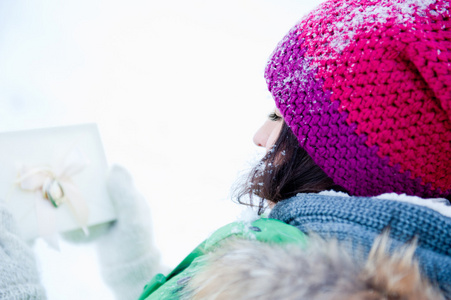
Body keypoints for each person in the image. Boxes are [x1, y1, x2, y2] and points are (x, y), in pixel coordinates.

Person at [0, 0, 450, 299]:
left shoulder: (288, 275)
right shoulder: (355, 263)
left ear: (345, 157)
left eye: (280, 119)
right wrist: (132, 265)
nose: (259, 135)